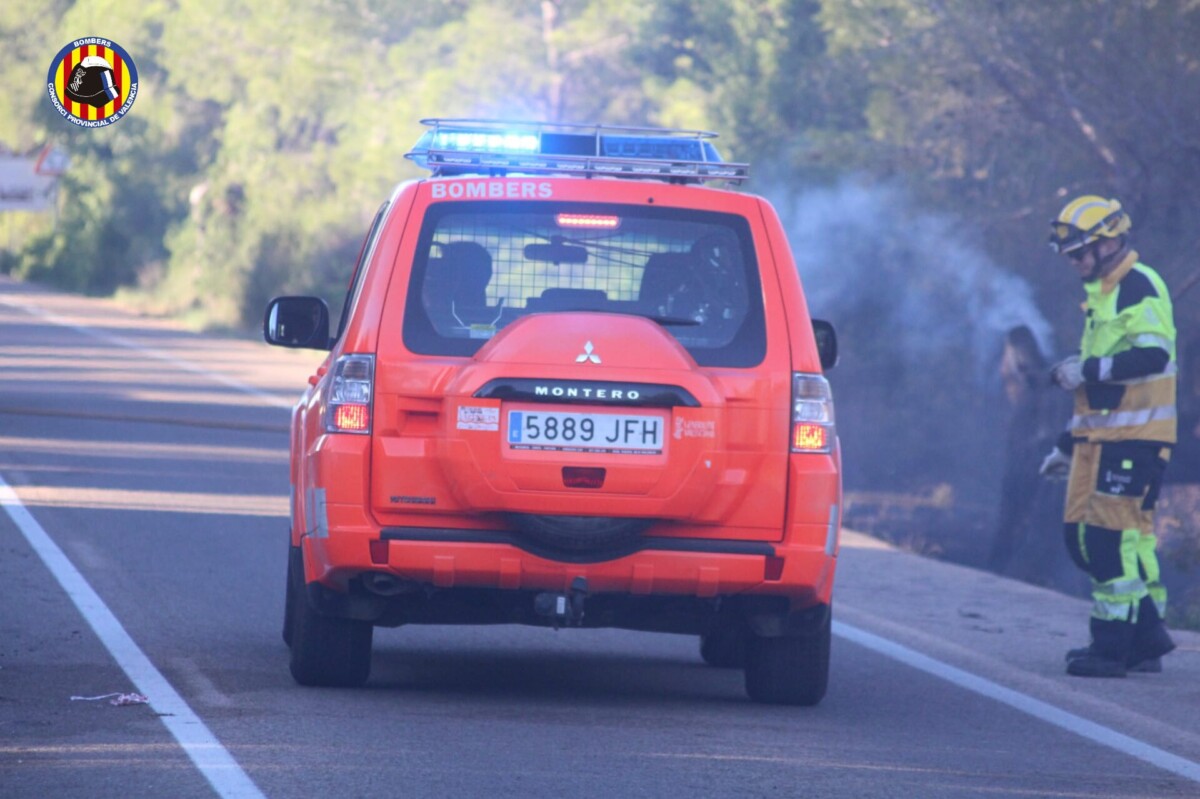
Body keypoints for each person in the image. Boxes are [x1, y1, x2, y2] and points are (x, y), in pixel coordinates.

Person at [1039, 195, 1178, 678]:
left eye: (1080, 252)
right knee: (1082, 539)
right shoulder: (1102, 294)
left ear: (1108, 242)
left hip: (1137, 438)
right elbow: (1098, 395)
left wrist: (1087, 369)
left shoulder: (1139, 285)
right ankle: (1147, 638)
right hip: (1101, 439)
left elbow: (1153, 355)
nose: (1075, 262)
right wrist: (1066, 444)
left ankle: (1113, 648)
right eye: (1070, 255)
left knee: (1106, 541)